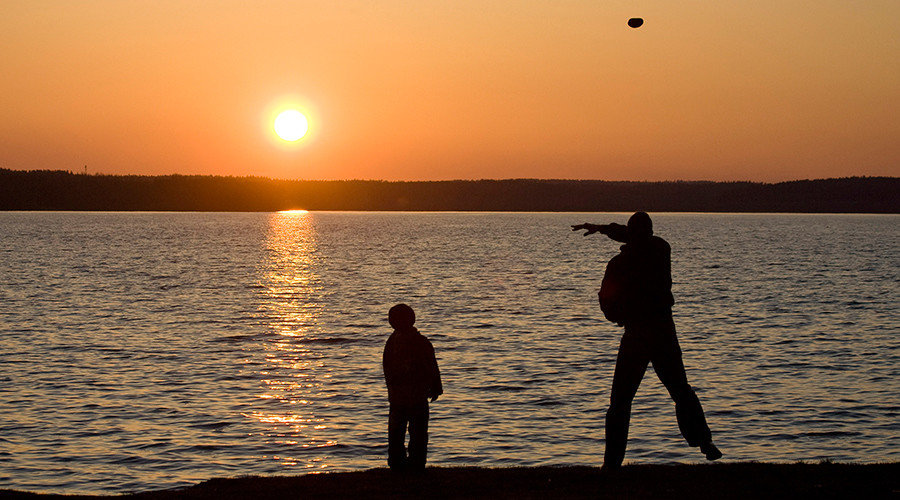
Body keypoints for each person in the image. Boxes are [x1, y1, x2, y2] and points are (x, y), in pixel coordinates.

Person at [572, 212, 722, 470]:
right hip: (662, 332)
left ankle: (612, 463)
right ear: (650, 233)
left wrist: (616, 317)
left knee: (621, 402)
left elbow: (605, 300)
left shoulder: (620, 263)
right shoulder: (661, 250)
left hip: (638, 335)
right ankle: (704, 443)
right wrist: (604, 229)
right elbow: (631, 239)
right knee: (680, 392)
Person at [382, 303, 443, 472]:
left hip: (413, 395)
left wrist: (435, 386)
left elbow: (430, 364)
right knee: (404, 431)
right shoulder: (396, 341)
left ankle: (411, 462)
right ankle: (400, 462)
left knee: (413, 431)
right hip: (404, 396)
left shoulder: (416, 342)